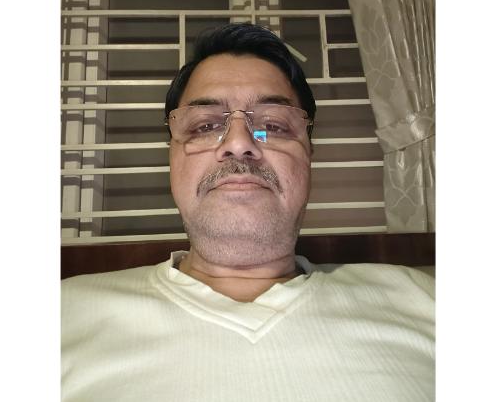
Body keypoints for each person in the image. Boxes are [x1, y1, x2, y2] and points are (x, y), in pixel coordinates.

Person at [62, 23, 435, 402]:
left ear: (308, 156)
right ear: (171, 159)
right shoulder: (62, 313)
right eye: (206, 125)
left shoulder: (423, 299)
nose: (239, 143)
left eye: (271, 125)